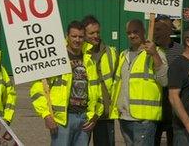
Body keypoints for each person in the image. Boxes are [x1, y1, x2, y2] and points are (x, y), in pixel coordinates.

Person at [30, 20, 103, 146]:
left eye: (80, 36)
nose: (77, 40)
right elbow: (37, 89)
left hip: (84, 119)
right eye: (74, 36)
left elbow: (97, 91)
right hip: (62, 119)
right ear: (67, 36)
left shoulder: (89, 60)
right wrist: (46, 115)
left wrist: (95, 115)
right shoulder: (56, 58)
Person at [113, 19, 168, 146]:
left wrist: (154, 55)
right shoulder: (123, 55)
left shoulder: (157, 53)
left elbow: (164, 81)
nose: (132, 35)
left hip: (144, 120)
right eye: (129, 32)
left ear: (143, 31)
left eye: (135, 31)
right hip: (125, 117)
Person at [81, 15, 118, 146]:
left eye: (97, 32)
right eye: (91, 33)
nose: (96, 35)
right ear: (83, 34)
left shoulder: (110, 52)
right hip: (84, 112)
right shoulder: (78, 53)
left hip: (105, 114)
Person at [153, 16, 183, 146]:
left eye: (160, 29)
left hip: (174, 108)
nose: (156, 32)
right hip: (155, 107)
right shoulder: (150, 50)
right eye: (155, 29)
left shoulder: (180, 51)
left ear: (169, 30)